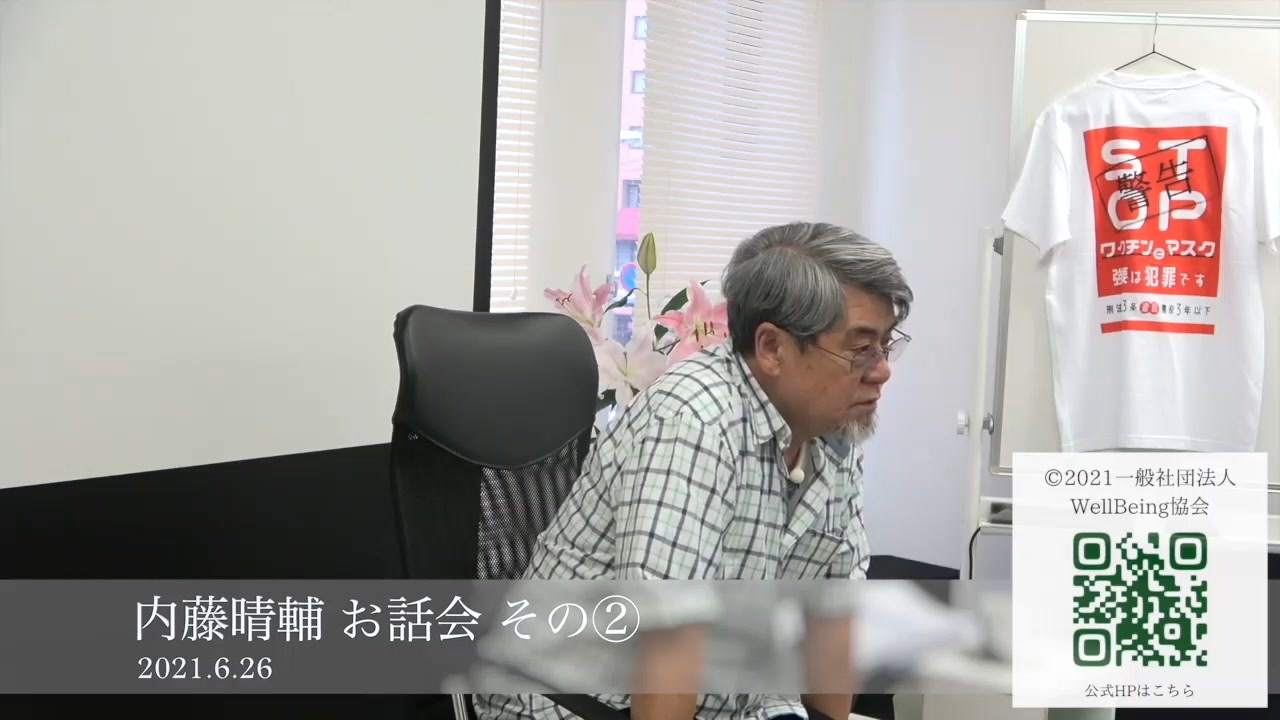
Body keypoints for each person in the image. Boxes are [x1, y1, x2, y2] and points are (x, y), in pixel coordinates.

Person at [473, 221, 913, 720]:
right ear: (772, 347)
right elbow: (663, 671)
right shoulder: (693, 420)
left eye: (885, 345)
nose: (882, 370)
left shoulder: (833, 428)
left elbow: (832, 621)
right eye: (860, 349)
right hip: (574, 705)